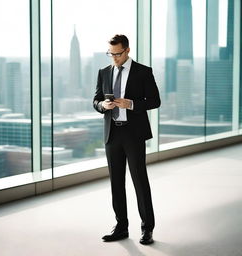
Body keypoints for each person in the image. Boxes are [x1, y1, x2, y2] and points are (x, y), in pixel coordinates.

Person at [93, 34, 161, 245]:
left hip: (133, 133)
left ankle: (147, 229)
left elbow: (155, 101)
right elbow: (95, 100)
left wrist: (130, 104)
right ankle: (121, 226)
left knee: (139, 180)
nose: (114, 58)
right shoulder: (104, 73)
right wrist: (103, 106)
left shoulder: (143, 72)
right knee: (116, 183)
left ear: (127, 50)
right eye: (110, 54)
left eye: (117, 54)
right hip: (112, 134)